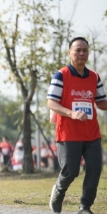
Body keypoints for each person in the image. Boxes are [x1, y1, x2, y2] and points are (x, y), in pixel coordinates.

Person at [47, 37, 107, 214]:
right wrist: (72, 113)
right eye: (78, 50)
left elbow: (101, 102)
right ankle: (58, 192)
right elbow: (51, 103)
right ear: (70, 53)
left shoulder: (94, 76)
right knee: (70, 171)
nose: (82, 53)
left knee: (95, 169)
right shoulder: (61, 75)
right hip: (68, 134)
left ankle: (85, 206)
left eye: (85, 50)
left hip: (92, 133)